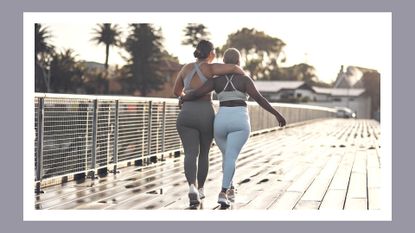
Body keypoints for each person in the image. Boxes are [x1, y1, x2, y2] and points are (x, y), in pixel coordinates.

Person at [181, 48, 286, 208]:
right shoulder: (244, 80)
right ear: (238, 62)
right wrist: (277, 114)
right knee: (231, 157)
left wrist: (183, 98)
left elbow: (197, 93)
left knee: (227, 157)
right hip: (239, 121)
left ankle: (230, 189)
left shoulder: (216, 81)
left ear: (224, 63)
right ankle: (223, 192)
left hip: (220, 122)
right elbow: (259, 98)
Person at [173, 40, 245, 206]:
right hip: (205, 113)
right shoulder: (211, 68)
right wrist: (245, 78)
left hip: (186, 113)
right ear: (211, 53)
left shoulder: (185, 68)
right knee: (204, 153)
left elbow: (176, 91)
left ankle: (191, 187)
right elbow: (233, 68)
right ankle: (201, 190)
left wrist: (186, 95)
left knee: (190, 153)